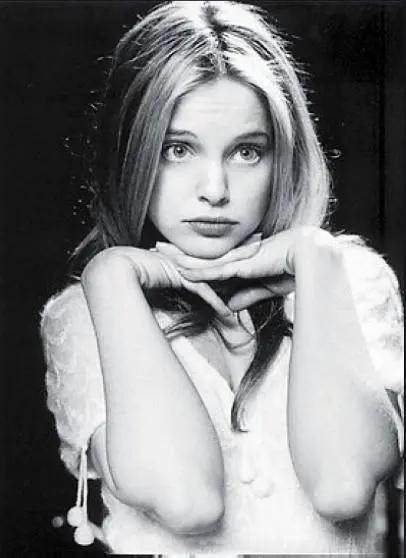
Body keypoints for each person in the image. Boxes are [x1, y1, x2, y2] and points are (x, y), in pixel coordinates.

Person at [40, 1, 404, 554]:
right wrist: (111, 274)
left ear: (283, 159)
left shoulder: (348, 281)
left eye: (246, 152)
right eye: (177, 149)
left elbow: (343, 487)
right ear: (132, 154)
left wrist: (314, 258)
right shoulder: (88, 311)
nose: (214, 189)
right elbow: (187, 500)